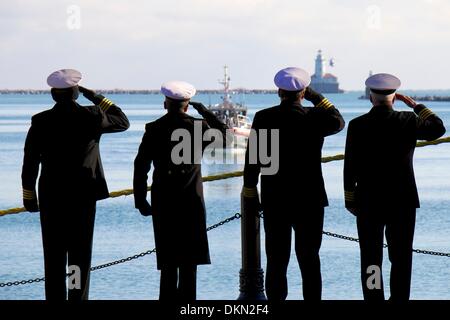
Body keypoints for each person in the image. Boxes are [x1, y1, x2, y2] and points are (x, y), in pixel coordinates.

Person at [21, 69, 130, 300]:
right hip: (83, 195)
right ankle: (76, 297)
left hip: (52, 196)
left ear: (53, 94)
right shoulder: (92, 115)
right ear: (76, 92)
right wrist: (96, 97)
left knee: (53, 256)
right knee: (79, 255)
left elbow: (29, 162)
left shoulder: (40, 121)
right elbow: (122, 121)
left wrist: (29, 195)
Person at [242, 67, 345, 300]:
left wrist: (250, 192)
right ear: (303, 92)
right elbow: (338, 121)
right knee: (309, 260)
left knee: (276, 262)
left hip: (275, 198)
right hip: (310, 199)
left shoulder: (264, 117)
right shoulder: (315, 116)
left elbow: (253, 161)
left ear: (279, 91)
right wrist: (317, 98)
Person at [344, 73, 446, 301]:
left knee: (371, 257)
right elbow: (438, 128)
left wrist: (350, 199)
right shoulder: (408, 120)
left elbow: (349, 166)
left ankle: (373, 297)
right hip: (403, 200)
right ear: (394, 97)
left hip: (368, 201)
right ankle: (400, 298)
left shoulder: (357, 125)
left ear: (371, 96)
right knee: (401, 257)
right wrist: (415, 105)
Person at [133, 81, 230, 300]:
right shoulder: (199, 127)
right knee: (189, 265)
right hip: (191, 201)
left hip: (163, 200)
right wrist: (204, 111)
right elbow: (225, 135)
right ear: (187, 106)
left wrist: (140, 200)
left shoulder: (153, 128)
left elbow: (141, 166)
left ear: (165, 104)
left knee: (168, 265)